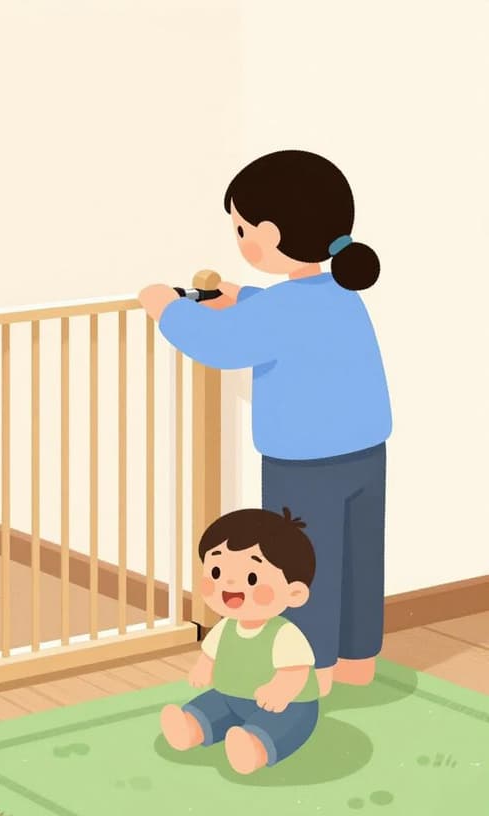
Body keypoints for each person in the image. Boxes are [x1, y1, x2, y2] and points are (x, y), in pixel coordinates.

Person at [139, 150, 392, 696]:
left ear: (269, 234)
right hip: (366, 451)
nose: (238, 236)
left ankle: (313, 672)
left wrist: (167, 308)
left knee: (303, 564)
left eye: (240, 228)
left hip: (304, 461)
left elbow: (219, 344)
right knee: (359, 558)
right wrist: (243, 296)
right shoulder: (340, 291)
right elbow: (283, 311)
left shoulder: (277, 312)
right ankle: (357, 661)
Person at [160, 507, 318, 774]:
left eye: (252, 578)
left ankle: (254, 748)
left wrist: (280, 690)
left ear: (294, 593)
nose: (229, 584)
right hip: (230, 696)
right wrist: (203, 667)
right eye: (217, 573)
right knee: (209, 706)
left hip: (288, 706)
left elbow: (296, 671)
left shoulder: (283, 634)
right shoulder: (226, 628)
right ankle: (190, 728)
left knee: (280, 726)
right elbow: (210, 654)